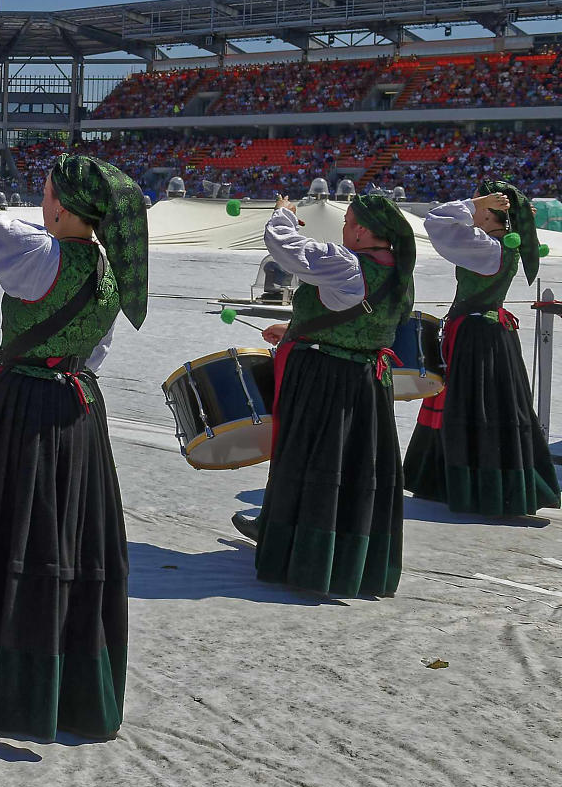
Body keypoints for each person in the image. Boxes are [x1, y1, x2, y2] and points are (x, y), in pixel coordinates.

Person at [0, 140, 147, 742]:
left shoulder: (39, 254)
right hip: (78, 410)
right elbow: (92, 351)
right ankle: (67, 672)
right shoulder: (106, 271)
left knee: (10, 523)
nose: (40, 200)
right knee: (62, 532)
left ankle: (2, 670)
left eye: (47, 191)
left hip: (24, 406)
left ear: (66, 208)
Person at [234, 193, 415, 598]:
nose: (345, 229)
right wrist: (299, 328)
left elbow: (284, 246)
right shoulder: (400, 272)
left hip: (326, 379)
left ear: (364, 231)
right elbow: (358, 319)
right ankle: (352, 560)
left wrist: (283, 213)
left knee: (310, 460)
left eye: (349, 222)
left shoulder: (347, 264)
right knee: (355, 470)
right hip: (368, 381)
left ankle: (304, 558)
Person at [404, 184, 560, 515]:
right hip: (494, 334)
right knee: (493, 408)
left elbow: (437, 221)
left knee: (471, 407)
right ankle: (493, 487)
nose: (474, 212)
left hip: (477, 337)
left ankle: (470, 487)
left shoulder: (485, 246)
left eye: (481, 207)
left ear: (489, 212)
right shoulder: (504, 243)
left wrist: (475, 202)